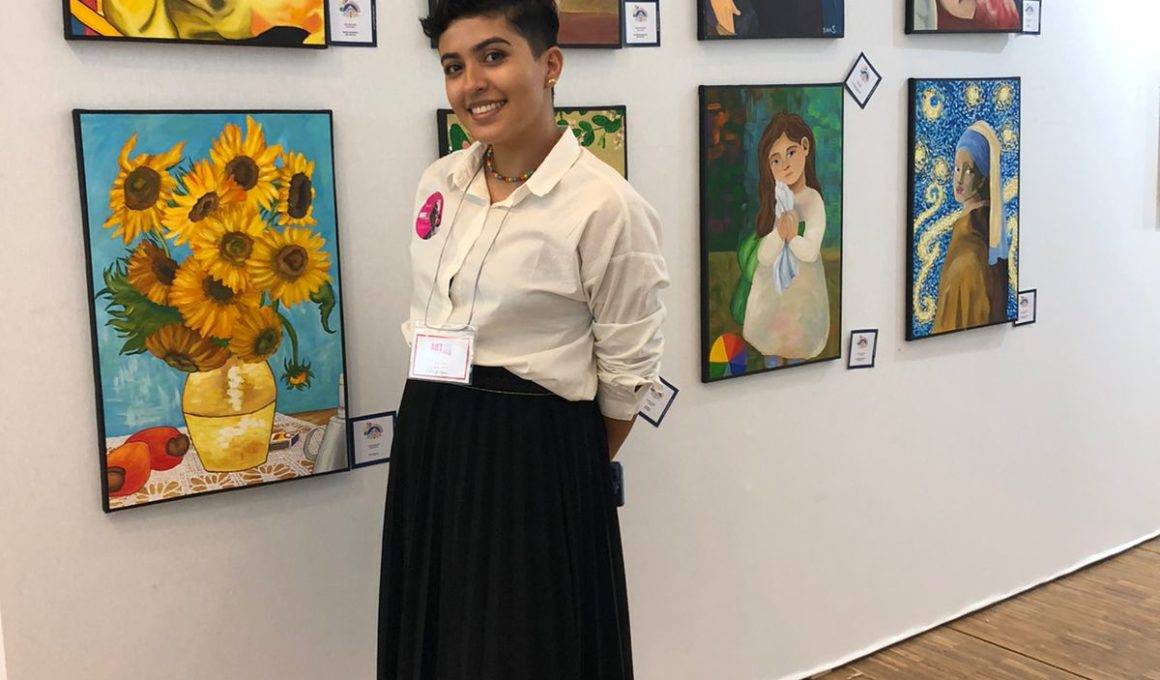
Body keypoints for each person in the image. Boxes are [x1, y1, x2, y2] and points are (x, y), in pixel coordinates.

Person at [378, 1, 669, 678]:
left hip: (535, 453)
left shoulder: (605, 206)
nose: (472, 83)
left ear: (550, 65)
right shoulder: (440, 182)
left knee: (523, 648)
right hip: (430, 430)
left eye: (493, 56)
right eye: (454, 66)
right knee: (435, 634)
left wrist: (554, 464)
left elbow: (628, 373)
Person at [741, 112, 830, 367]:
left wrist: (792, 237)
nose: (785, 165)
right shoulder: (776, 200)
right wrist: (779, 235)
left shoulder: (812, 200)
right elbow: (764, 256)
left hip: (803, 293)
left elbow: (810, 251)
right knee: (771, 351)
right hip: (772, 294)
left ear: (805, 147)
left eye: (791, 153)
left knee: (798, 350)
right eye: (775, 160)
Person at [932, 121, 1010, 333]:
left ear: (983, 178)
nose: (959, 178)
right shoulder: (977, 234)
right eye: (957, 168)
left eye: (969, 171)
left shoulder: (970, 251)